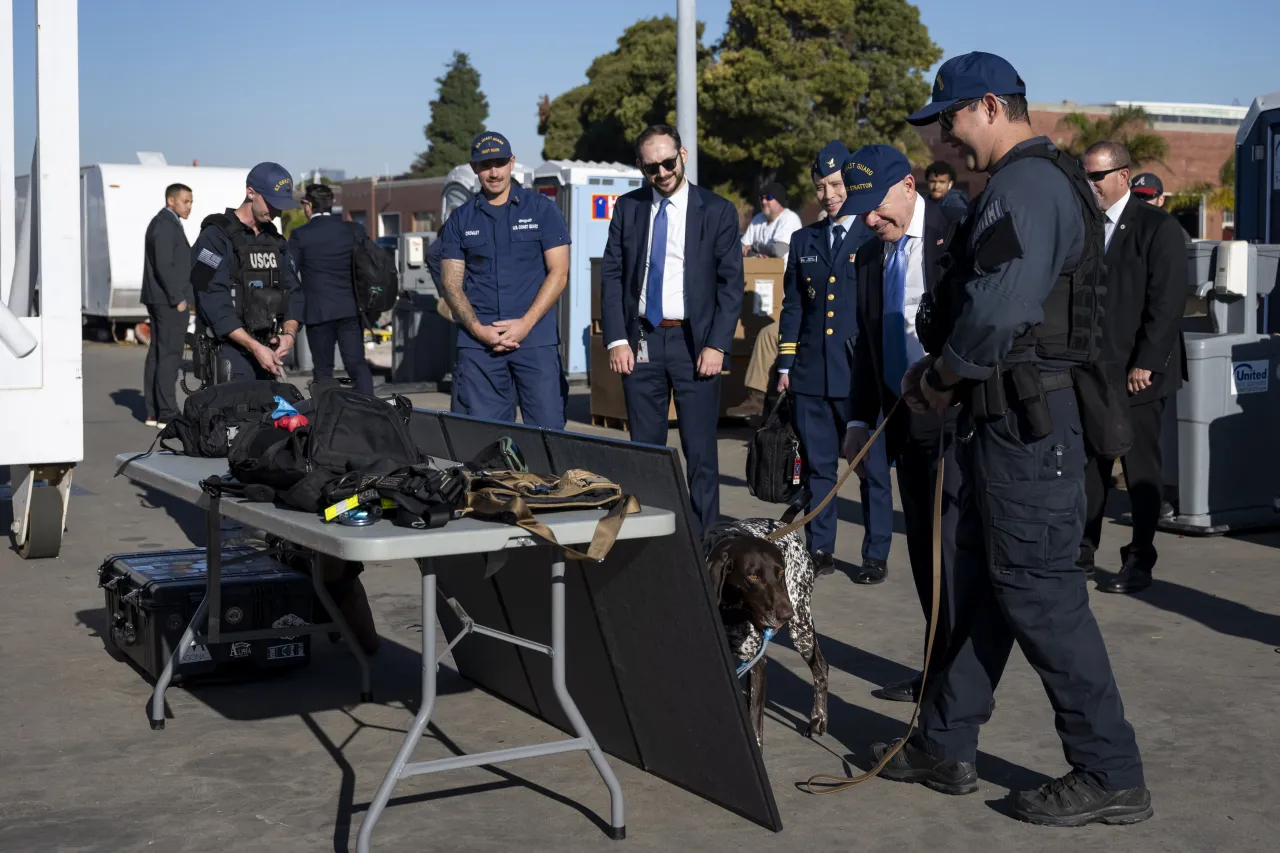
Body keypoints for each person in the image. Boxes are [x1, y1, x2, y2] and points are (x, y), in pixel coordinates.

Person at [869, 51, 1151, 827]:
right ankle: (945, 739)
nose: (945, 139)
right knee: (989, 586)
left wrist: (943, 375)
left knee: (1041, 595)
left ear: (990, 106)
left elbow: (999, 309)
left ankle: (1109, 768)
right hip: (1007, 419)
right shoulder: (1029, 183)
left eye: (951, 119)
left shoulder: (1025, 185)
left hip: (1027, 425)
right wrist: (947, 367)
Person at [842, 144, 964, 699]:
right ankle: (938, 671)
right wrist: (858, 421)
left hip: (957, 419)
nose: (871, 218)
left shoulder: (957, 233)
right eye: (862, 208)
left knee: (955, 552)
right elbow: (867, 347)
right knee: (921, 551)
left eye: (878, 205)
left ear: (910, 186)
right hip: (900, 417)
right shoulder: (870, 256)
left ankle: (959, 684)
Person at [600, 124, 744, 537]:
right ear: (640, 167)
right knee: (646, 453)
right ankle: (653, 540)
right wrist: (617, 338)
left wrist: (717, 344)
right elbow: (612, 274)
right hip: (642, 340)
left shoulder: (717, 210)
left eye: (667, 162)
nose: (662, 173)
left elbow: (730, 284)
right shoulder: (628, 208)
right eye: (651, 167)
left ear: (683, 155)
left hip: (694, 344)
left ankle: (705, 544)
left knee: (699, 453)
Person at [775, 140, 892, 579]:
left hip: (857, 374)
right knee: (820, 469)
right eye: (822, 186)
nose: (829, 194)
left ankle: (875, 553)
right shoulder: (803, 238)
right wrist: (785, 365)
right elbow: (794, 306)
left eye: (837, 184)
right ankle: (820, 548)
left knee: (870, 469)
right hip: (810, 373)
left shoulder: (871, 233)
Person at [1078, 142, 1187, 594]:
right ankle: (1081, 552)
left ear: (1123, 176)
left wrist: (1146, 361)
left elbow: (1167, 302)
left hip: (1138, 371)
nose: (1091, 184)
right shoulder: (1084, 226)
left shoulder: (1157, 228)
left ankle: (1139, 560)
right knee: (1090, 469)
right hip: (1092, 370)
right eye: (1086, 175)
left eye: (1097, 176)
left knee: (1140, 467)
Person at [437, 131, 571, 429]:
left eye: (499, 163)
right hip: (479, 344)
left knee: (548, 431)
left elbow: (559, 272)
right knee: (485, 439)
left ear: (512, 163)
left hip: (535, 339)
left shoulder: (541, 210)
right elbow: (451, 283)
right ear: (474, 168)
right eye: (485, 165)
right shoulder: (460, 219)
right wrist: (477, 329)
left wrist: (525, 324)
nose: (493, 172)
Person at [190, 162, 304, 382]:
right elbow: (210, 299)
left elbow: (294, 292)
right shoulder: (214, 237)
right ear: (250, 193)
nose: (278, 213)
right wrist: (253, 347)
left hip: (267, 352)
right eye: (272, 204)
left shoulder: (275, 241)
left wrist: (288, 335)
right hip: (229, 354)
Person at [287, 183, 375, 395]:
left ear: (308, 205)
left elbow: (288, 274)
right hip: (350, 309)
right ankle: (370, 410)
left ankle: (327, 415)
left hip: (318, 312)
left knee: (323, 370)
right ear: (331, 203)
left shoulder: (301, 235)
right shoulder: (351, 230)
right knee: (357, 364)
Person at [141, 183, 193, 426]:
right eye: (186, 201)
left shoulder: (166, 223)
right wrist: (178, 298)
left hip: (161, 299)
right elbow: (164, 265)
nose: (189, 206)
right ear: (171, 200)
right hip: (168, 301)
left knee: (159, 353)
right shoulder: (164, 224)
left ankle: (153, 411)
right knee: (169, 355)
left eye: (191, 202)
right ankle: (168, 413)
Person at [741, 182, 803, 264]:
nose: (763, 202)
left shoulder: (789, 218)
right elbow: (741, 247)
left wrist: (754, 247)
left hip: (785, 274)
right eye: (761, 198)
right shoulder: (758, 218)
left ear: (779, 200)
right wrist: (755, 255)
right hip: (761, 271)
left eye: (768, 197)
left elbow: (779, 250)